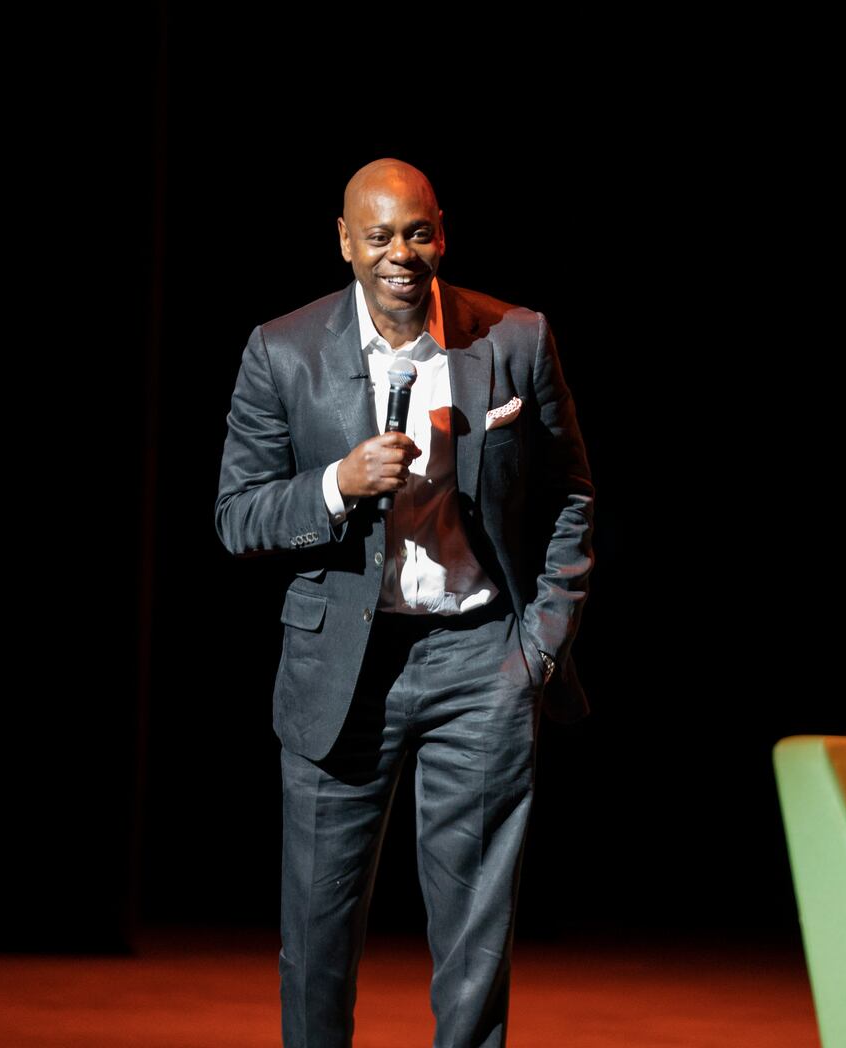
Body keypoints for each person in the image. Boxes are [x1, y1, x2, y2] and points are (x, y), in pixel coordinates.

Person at [215, 157, 594, 1048]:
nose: (400, 254)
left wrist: (537, 646)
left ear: (442, 234)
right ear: (344, 242)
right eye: (379, 236)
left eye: (416, 233)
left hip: (479, 660)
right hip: (342, 666)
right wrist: (336, 486)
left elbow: (572, 493)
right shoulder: (283, 349)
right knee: (317, 937)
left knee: (474, 943)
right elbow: (236, 516)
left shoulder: (513, 338)